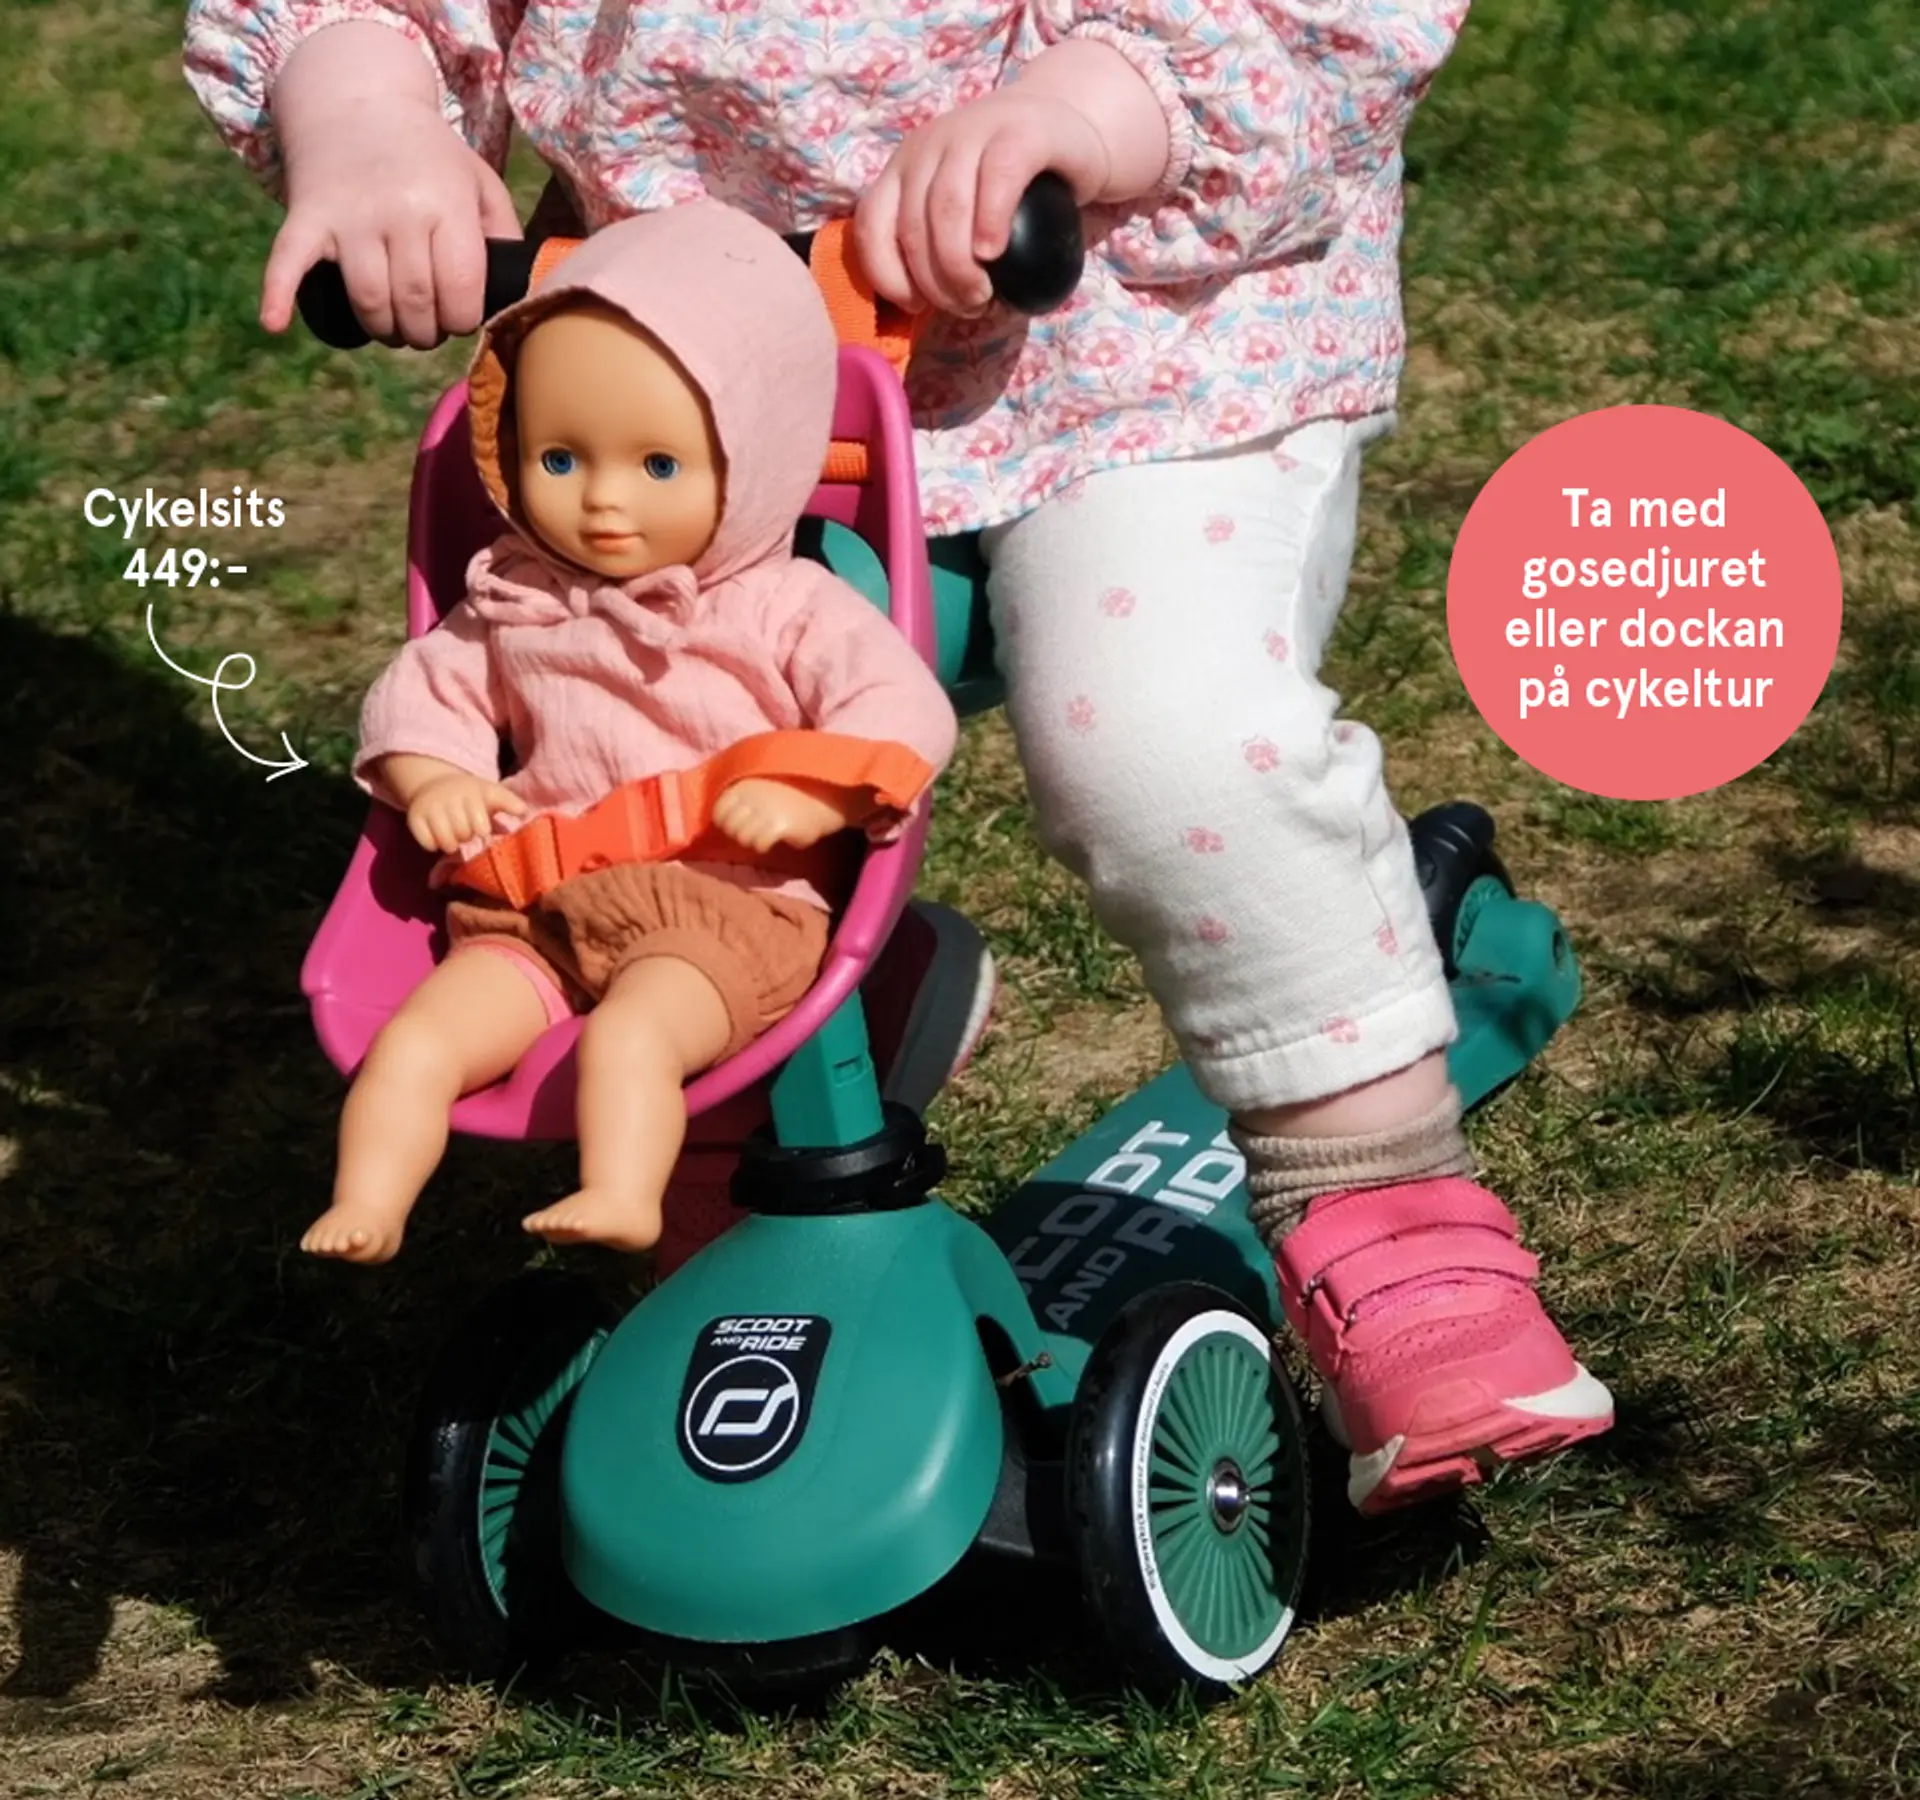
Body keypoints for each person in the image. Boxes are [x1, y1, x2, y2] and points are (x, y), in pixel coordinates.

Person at [184, 0, 1614, 1511]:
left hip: (1142, 349)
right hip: (712, 384)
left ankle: (1385, 1217)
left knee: (1161, 739)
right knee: (632, 753)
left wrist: (1087, 106)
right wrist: (367, 114)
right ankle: (765, 1072)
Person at [307, 201, 956, 1264]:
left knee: (632, 1034)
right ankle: (368, 1205)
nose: (603, 503)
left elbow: (899, 704)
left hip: (727, 908)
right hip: (534, 912)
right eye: (561, 460)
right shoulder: (514, 598)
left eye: (657, 467)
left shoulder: (782, 604)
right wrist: (434, 778)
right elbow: (418, 697)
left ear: (751, 457)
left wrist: (819, 786)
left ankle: (620, 1191)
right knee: (418, 1040)